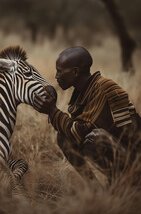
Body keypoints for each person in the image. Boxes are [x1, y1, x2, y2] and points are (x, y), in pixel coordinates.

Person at [34, 46, 141, 181]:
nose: (56, 76)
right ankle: (97, 190)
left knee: (95, 138)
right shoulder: (84, 92)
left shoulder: (103, 87)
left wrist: (52, 111)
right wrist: (52, 111)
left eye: (59, 71)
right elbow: (72, 130)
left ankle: (126, 181)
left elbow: (81, 132)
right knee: (63, 137)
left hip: (136, 158)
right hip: (124, 153)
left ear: (75, 72)